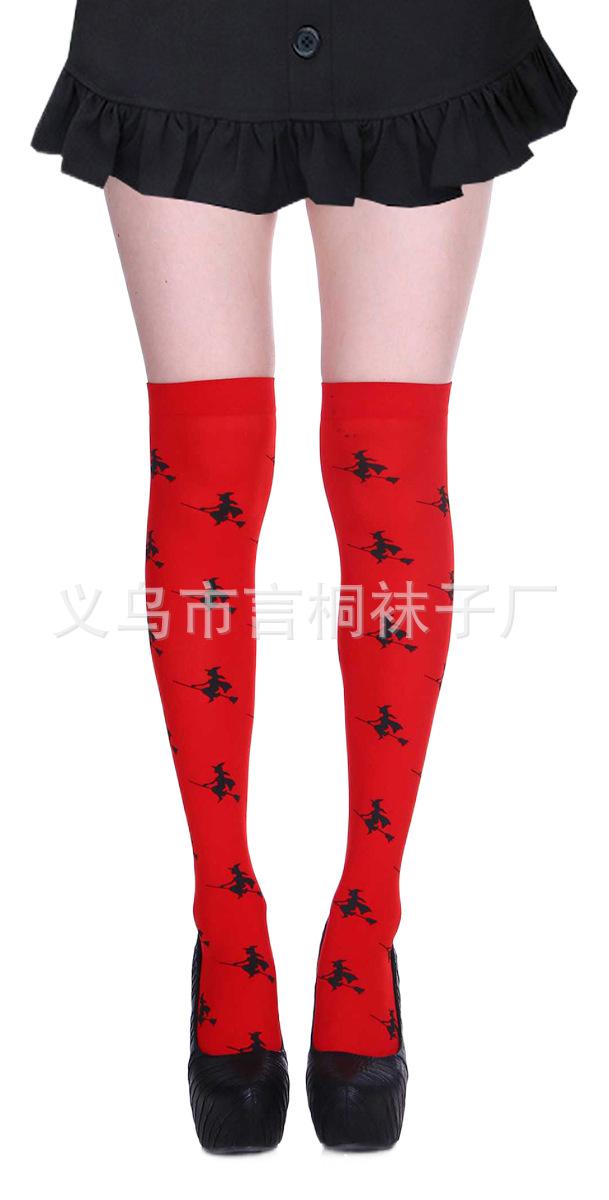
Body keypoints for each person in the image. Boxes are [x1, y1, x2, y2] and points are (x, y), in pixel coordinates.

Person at [32, 0, 575, 1154]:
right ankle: (227, 927)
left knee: (392, 478)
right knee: (205, 474)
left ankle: (363, 933)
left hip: (410, 32)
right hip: (187, 29)